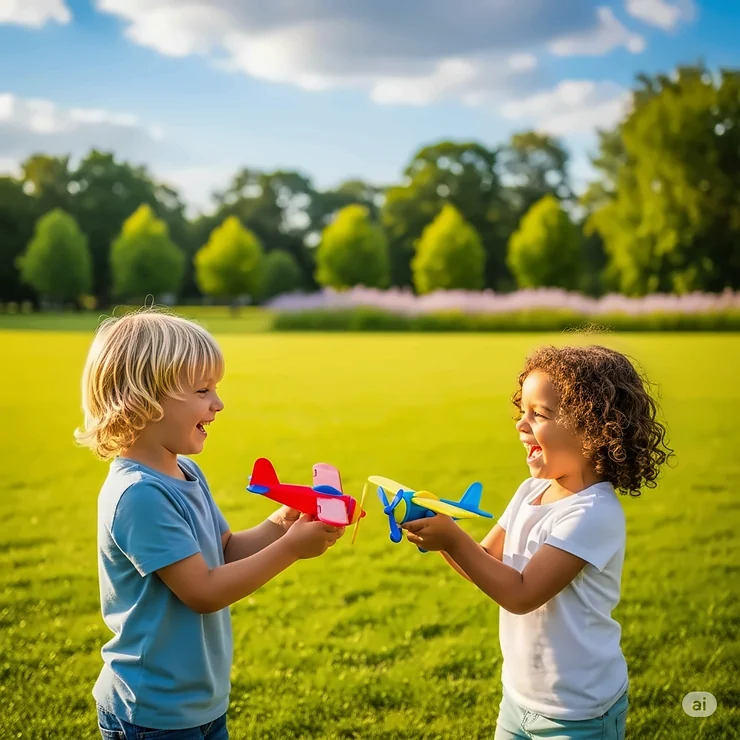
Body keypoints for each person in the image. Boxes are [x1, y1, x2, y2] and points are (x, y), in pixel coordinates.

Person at [75, 309, 344, 739]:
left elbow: (226, 552)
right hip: (152, 713)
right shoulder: (139, 495)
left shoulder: (186, 473)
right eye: (203, 390)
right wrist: (292, 547)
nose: (218, 404)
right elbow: (202, 591)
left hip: (199, 702)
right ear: (143, 399)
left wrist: (281, 522)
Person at [403, 344, 673, 740]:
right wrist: (440, 537)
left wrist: (453, 538)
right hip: (518, 699)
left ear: (596, 430)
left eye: (540, 414)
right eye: (522, 411)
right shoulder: (532, 490)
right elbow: (484, 562)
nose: (520, 424)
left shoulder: (593, 514)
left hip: (579, 713)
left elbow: (522, 594)